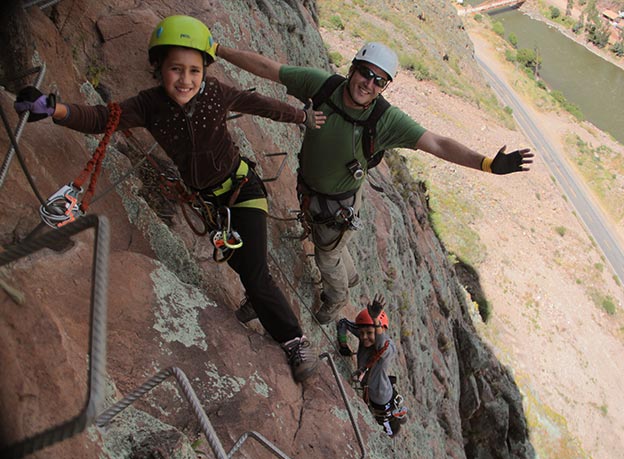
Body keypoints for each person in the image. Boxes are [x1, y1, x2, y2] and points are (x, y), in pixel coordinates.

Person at [13, 15, 327, 383]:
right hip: (210, 206)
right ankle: (258, 300)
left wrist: (300, 116)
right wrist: (55, 110)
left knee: (255, 271)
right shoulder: (149, 105)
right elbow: (103, 118)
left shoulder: (215, 94)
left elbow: (256, 103)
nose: (186, 79)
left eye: (194, 70)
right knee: (243, 265)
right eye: (176, 69)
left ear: (205, 71)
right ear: (158, 67)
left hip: (244, 191)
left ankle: (296, 343)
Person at [214, 41, 535, 324]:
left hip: (336, 202)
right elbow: (270, 69)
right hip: (313, 191)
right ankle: (350, 275)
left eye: (379, 80)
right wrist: (217, 50)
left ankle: (336, 297)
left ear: (385, 86)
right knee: (332, 245)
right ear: (352, 68)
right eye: (365, 73)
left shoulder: (386, 120)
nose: (368, 83)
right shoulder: (323, 87)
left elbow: (437, 143)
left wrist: (487, 164)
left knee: (326, 256)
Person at [337, 294, 408, 437]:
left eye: (369, 333)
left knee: (389, 430)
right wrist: (343, 345)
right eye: (361, 333)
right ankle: (397, 414)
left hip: (380, 397)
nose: (364, 337)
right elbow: (343, 323)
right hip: (379, 387)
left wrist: (376, 320)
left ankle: (393, 429)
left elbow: (382, 345)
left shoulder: (388, 348)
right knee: (387, 408)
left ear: (379, 330)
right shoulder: (366, 334)